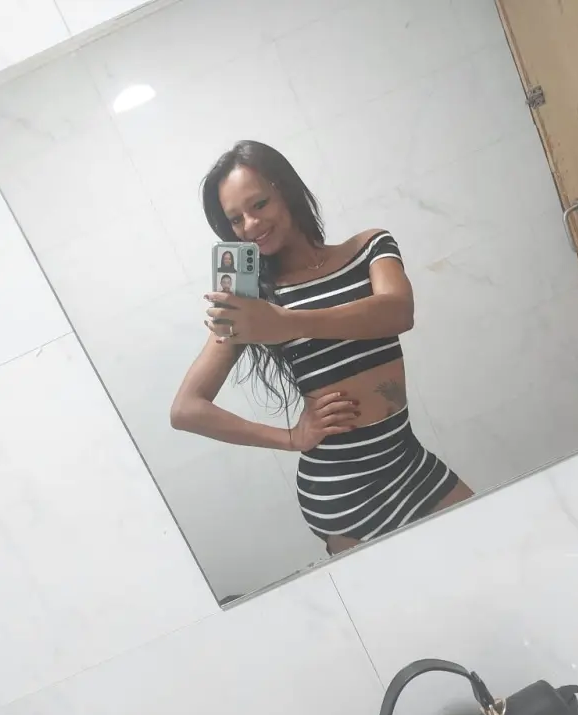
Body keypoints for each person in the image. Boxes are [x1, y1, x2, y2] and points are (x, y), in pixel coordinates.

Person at [171, 140, 473, 556]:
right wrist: (291, 437)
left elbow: (398, 311)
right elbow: (186, 409)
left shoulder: (370, 248)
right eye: (235, 219)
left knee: (487, 545)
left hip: (408, 460)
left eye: (259, 204)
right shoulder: (254, 302)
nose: (250, 225)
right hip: (344, 491)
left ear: (286, 190)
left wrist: (286, 323)